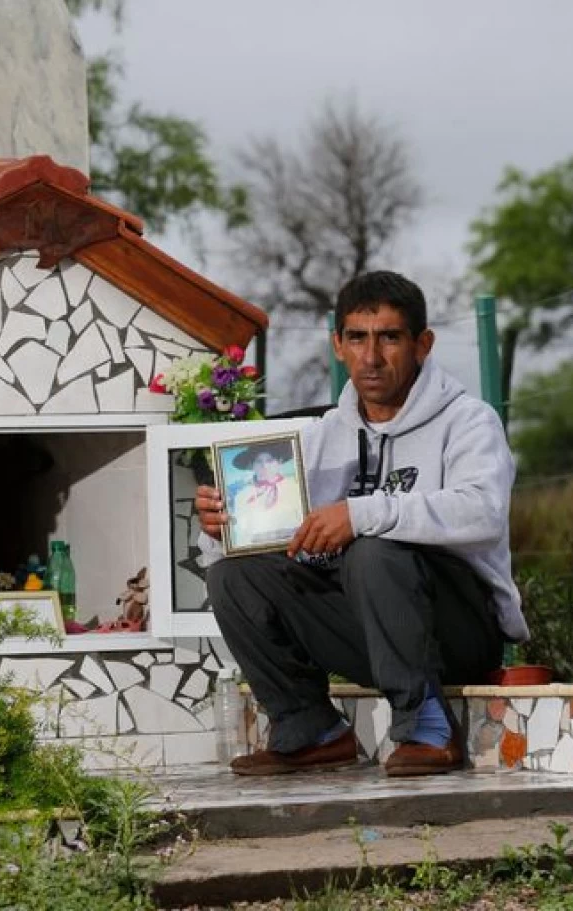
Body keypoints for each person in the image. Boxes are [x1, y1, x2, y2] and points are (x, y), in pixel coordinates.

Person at [196, 271, 528, 777]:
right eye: (357, 338)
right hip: (370, 630)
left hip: (458, 631)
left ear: (422, 344)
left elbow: (482, 513)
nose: (371, 358)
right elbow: (283, 543)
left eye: (389, 338)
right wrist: (222, 529)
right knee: (232, 577)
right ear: (338, 345)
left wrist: (361, 513)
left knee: (373, 547)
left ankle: (427, 728)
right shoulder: (320, 437)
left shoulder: (469, 421)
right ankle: (311, 730)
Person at [224, 439, 303, 549]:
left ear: (279, 461)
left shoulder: (296, 488)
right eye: (258, 461)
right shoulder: (242, 497)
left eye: (270, 460)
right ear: (252, 465)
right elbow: (242, 536)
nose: (264, 466)